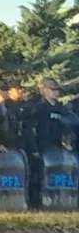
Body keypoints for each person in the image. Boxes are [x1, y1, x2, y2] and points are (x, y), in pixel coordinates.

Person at [29, 78, 74, 206]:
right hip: (43, 145)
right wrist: (34, 148)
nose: (56, 92)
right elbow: (31, 129)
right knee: (40, 175)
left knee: (58, 173)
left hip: (58, 146)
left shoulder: (61, 108)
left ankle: (58, 200)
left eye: (57, 90)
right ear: (44, 90)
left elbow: (68, 126)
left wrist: (68, 141)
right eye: (53, 90)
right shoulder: (39, 108)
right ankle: (38, 203)